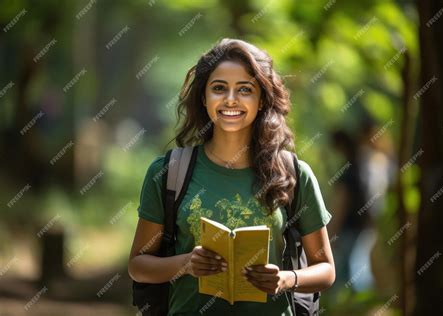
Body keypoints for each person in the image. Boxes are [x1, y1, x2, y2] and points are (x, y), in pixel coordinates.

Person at [128, 38, 335, 315]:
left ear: (262, 99)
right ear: (204, 98)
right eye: (219, 88)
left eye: (245, 89)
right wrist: (187, 263)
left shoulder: (294, 174)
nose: (231, 100)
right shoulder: (168, 172)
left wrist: (287, 279)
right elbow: (138, 266)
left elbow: (326, 269)